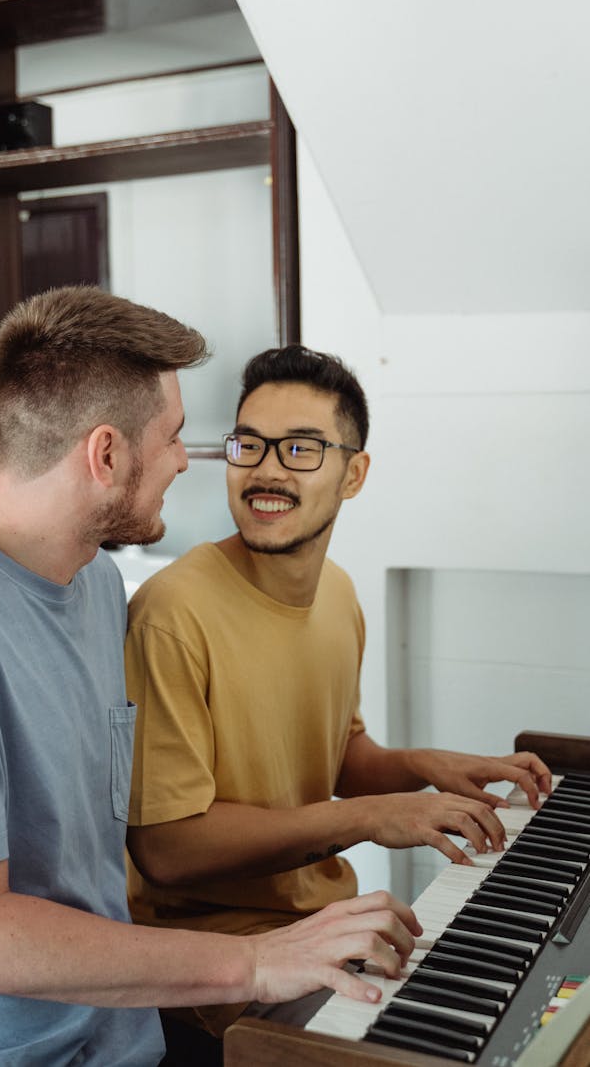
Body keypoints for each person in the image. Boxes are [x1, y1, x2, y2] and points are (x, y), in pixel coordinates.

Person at [0, 289, 421, 1067]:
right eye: (175, 436)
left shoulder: (97, 586)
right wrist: (255, 959)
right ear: (106, 454)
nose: (189, 459)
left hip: (115, 1033)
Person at [124, 343, 553, 1051]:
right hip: (216, 963)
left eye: (299, 448)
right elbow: (168, 847)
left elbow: (339, 757)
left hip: (326, 924)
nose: (266, 469)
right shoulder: (173, 613)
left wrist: (424, 764)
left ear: (353, 473)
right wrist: (373, 815)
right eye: (249, 444)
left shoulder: (340, 594)